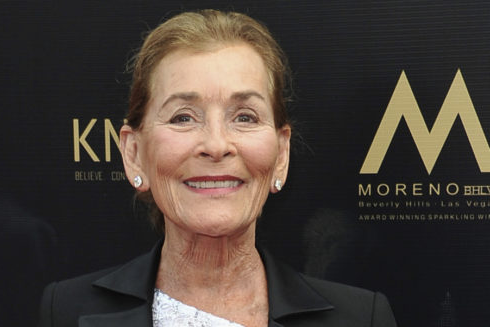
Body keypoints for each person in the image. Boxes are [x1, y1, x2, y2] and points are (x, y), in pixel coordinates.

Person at [38, 9, 397, 327]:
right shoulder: (67, 311)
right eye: (183, 117)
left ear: (281, 155)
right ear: (134, 153)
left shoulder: (360, 318)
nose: (215, 145)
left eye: (244, 116)